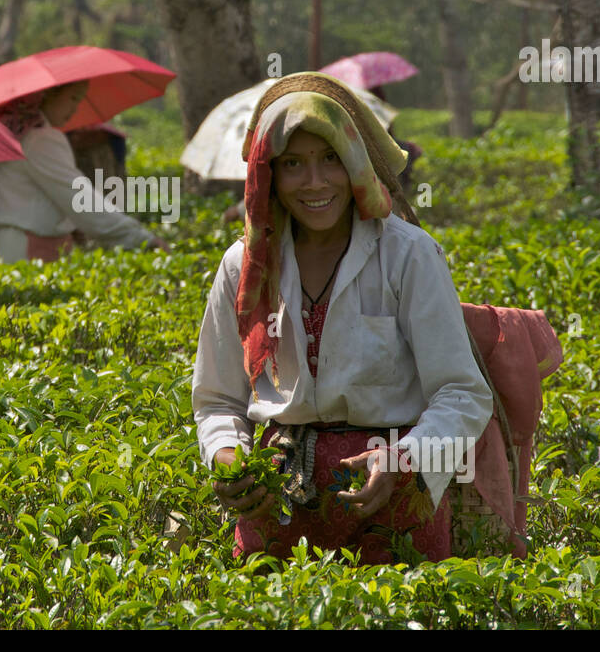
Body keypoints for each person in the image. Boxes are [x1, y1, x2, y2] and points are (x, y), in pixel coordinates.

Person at [191, 72, 494, 563]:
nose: (315, 182)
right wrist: (228, 456)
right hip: (277, 505)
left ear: (356, 161)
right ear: (269, 173)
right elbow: (218, 398)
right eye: (293, 164)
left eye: (330, 158)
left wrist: (402, 460)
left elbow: (462, 393)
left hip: (393, 502)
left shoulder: (407, 255)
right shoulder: (244, 266)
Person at [0, 80, 169, 263]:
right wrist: (142, 239)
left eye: (79, 100)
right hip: (25, 249)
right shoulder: (41, 139)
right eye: (73, 98)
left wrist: (70, 223)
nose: (75, 109)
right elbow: (80, 199)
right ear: (49, 94)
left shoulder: (19, 132)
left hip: (14, 244)